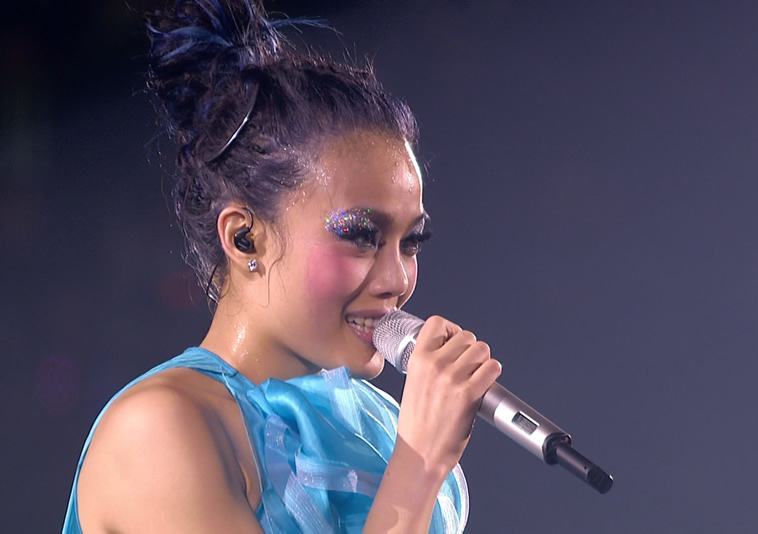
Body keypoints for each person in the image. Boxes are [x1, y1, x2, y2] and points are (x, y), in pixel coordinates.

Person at [61, 1, 502, 532]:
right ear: (244, 237)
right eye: (361, 237)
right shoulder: (159, 429)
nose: (398, 280)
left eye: (410, 243)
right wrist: (421, 464)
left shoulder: (382, 425)